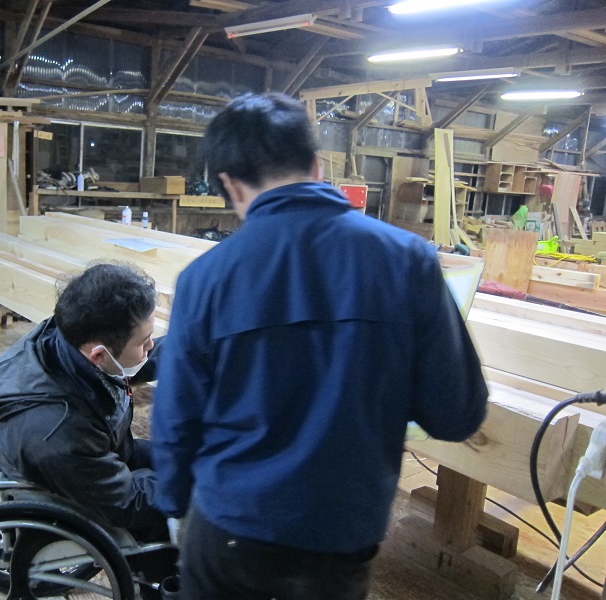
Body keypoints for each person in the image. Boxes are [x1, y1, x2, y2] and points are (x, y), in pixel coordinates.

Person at [150, 93, 489, 600]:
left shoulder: (205, 279)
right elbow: (455, 415)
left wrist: (174, 504)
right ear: (316, 165)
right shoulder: (408, 261)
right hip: (338, 541)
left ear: (229, 184)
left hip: (230, 532)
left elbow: (176, 418)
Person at [0, 262, 167, 541]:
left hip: (100, 452)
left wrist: (197, 348)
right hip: (78, 475)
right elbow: (126, 502)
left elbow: (135, 360)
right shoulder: (60, 431)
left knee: (182, 458)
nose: (150, 347)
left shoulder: (69, 334)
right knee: (190, 502)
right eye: (144, 341)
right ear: (98, 355)